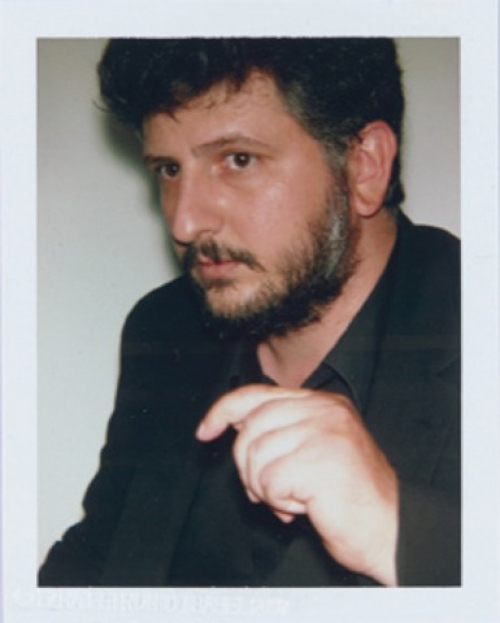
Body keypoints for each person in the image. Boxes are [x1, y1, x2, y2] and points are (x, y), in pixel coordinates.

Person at [38, 37, 460, 587]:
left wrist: (395, 530)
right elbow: (98, 556)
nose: (185, 222)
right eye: (168, 169)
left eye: (238, 160)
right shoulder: (164, 327)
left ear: (364, 166)